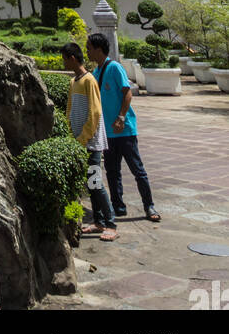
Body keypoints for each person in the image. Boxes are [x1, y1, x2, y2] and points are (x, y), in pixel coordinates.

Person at [86, 32, 161, 223]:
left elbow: (127, 93)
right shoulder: (95, 73)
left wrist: (121, 116)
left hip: (124, 129)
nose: (87, 52)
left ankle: (149, 205)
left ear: (98, 49)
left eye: (89, 48)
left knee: (138, 170)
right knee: (112, 171)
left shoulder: (115, 68)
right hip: (107, 132)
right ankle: (118, 206)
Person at [61, 41, 116, 241]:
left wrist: (82, 139)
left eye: (65, 59)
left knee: (95, 183)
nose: (64, 63)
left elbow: (94, 113)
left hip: (90, 143)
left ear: (73, 59)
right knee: (90, 184)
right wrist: (70, 135)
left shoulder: (89, 80)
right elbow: (69, 110)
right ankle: (98, 221)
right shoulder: (74, 81)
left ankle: (111, 223)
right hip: (78, 142)